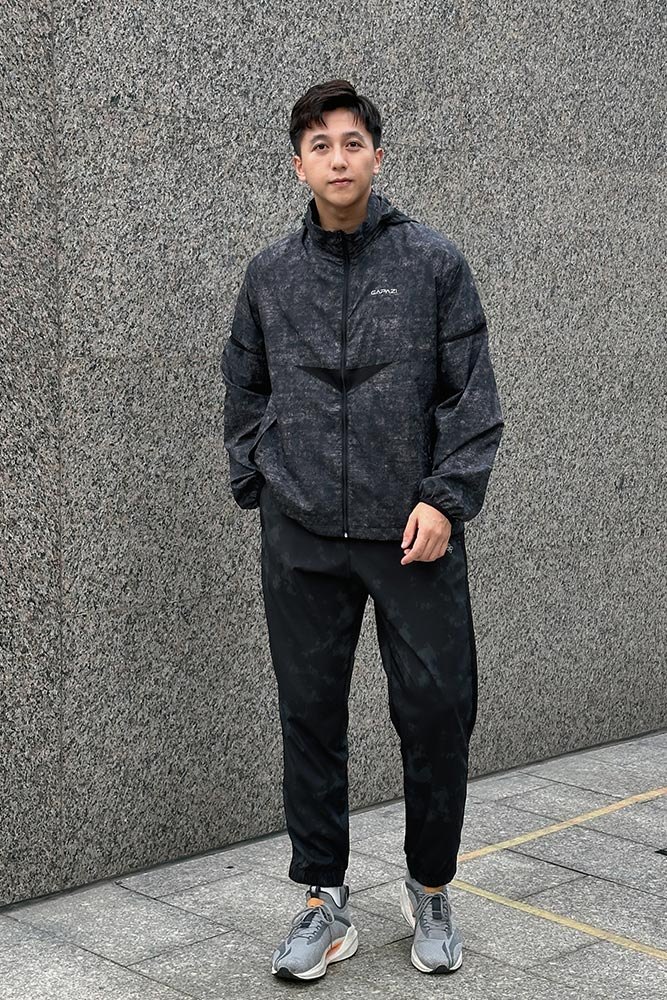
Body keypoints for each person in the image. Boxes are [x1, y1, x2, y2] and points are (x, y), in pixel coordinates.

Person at [220, 79, 504, 980]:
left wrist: (445, 498)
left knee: (436, 711)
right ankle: (322, 898)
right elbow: (244, 383)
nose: (337, 159)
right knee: (309, 714)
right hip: (301, 530)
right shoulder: (269, 273)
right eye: (320, 145)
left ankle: (430, 885)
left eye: (351, 143)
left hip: (412, 532)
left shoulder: (433, 263)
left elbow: (470, 395)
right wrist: (260, 479)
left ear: (377, 157)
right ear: (297, 164)